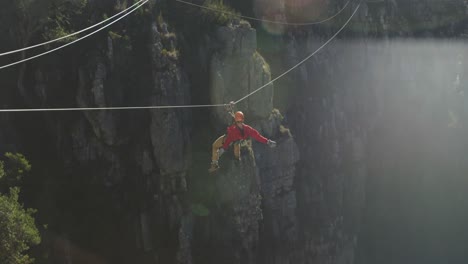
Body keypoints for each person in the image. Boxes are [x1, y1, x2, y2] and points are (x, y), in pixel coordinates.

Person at [209, 111, 276, 173]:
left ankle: (215, 165)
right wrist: (268, 142)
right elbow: (257, 136)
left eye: (239, 122)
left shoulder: (236, 129)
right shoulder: (247, 128)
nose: (239, 124)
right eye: (238, 122)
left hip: (231, 140)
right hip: (236, 142)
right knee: (235, 154)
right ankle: (235, 163)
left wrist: (223, 149)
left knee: (215, 146)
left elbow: (229, 140)